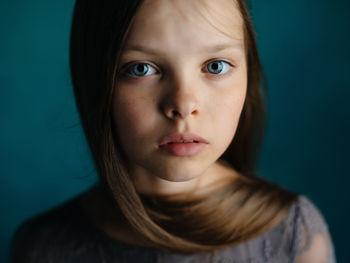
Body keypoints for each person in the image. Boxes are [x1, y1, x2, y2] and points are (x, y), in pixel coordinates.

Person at [10, 0, 336, 262]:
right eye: (142, 69)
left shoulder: (296, 235)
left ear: (249, 74)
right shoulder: (44, 247)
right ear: (96, 82)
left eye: (215, 66)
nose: (183, 104)